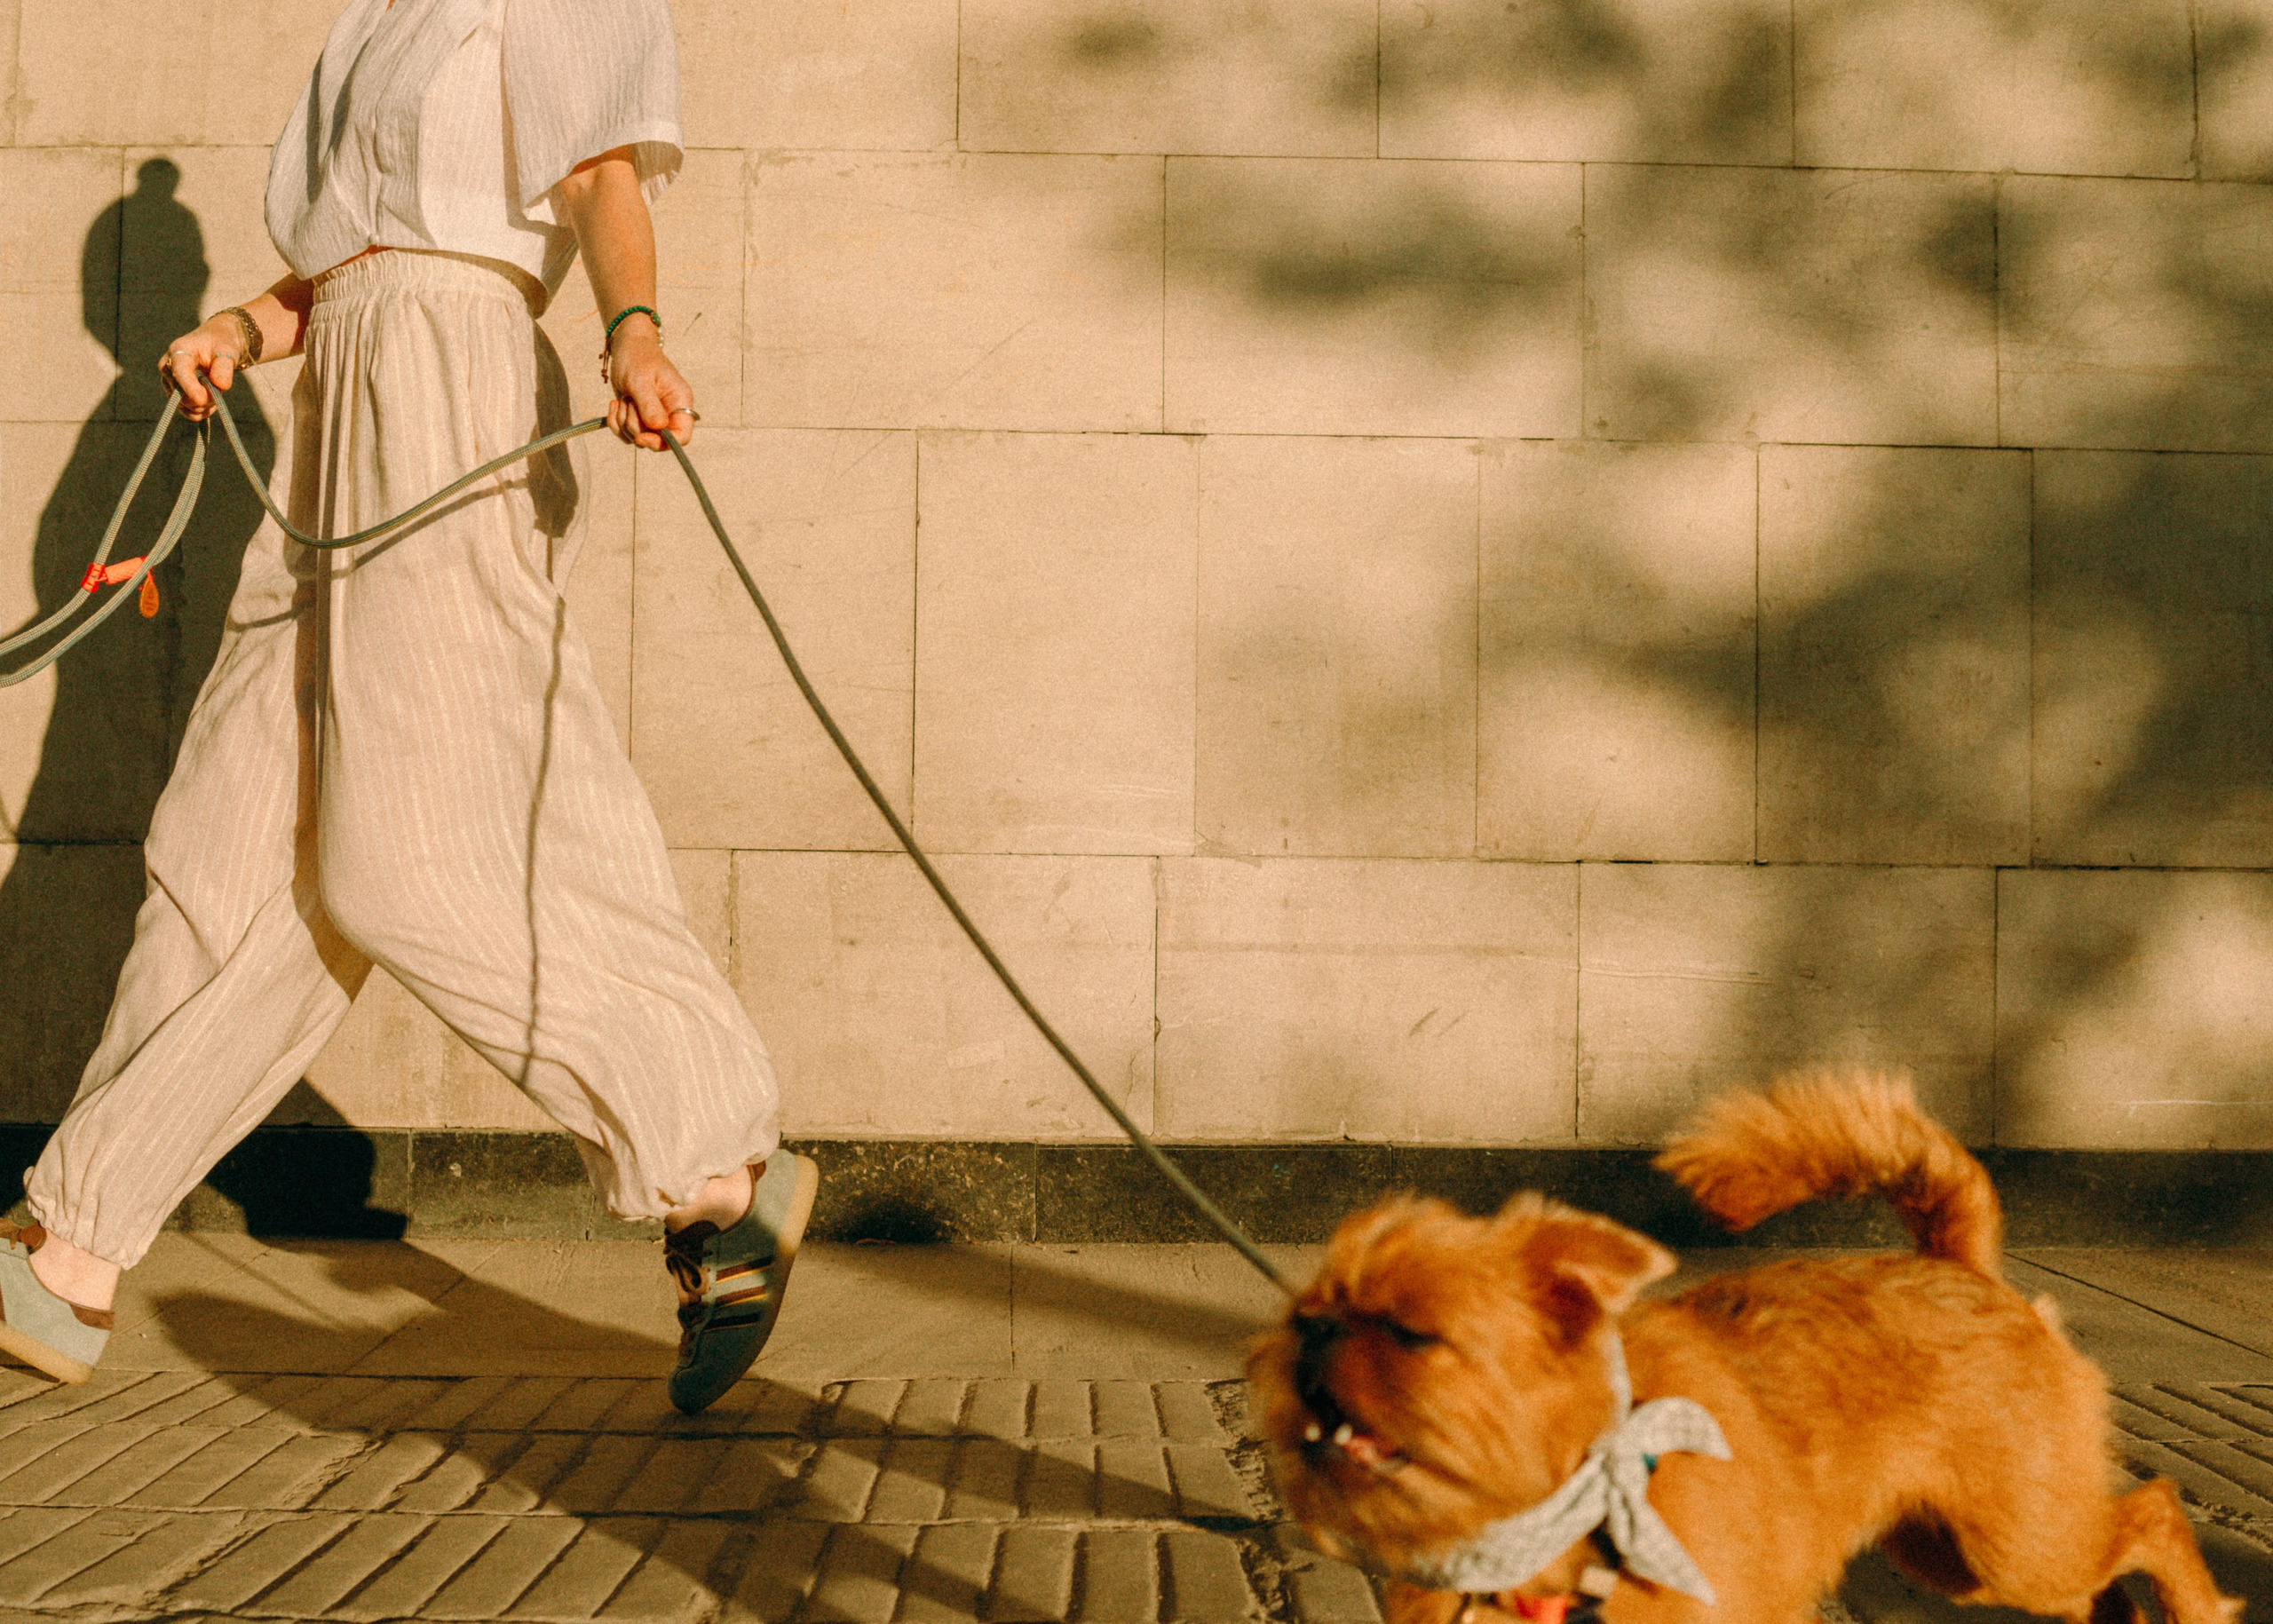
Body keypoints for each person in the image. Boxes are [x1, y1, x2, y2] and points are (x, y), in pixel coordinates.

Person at [0, 0, 814, 1416]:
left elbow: (598, 176)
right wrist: (242, 327)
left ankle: (714, 1166)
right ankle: (70, 1237)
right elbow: (349, 266)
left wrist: (633, 333)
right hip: (338, 413)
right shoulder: (376, 21)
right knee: (229, 844)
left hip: (453, 394)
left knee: (405, 857)